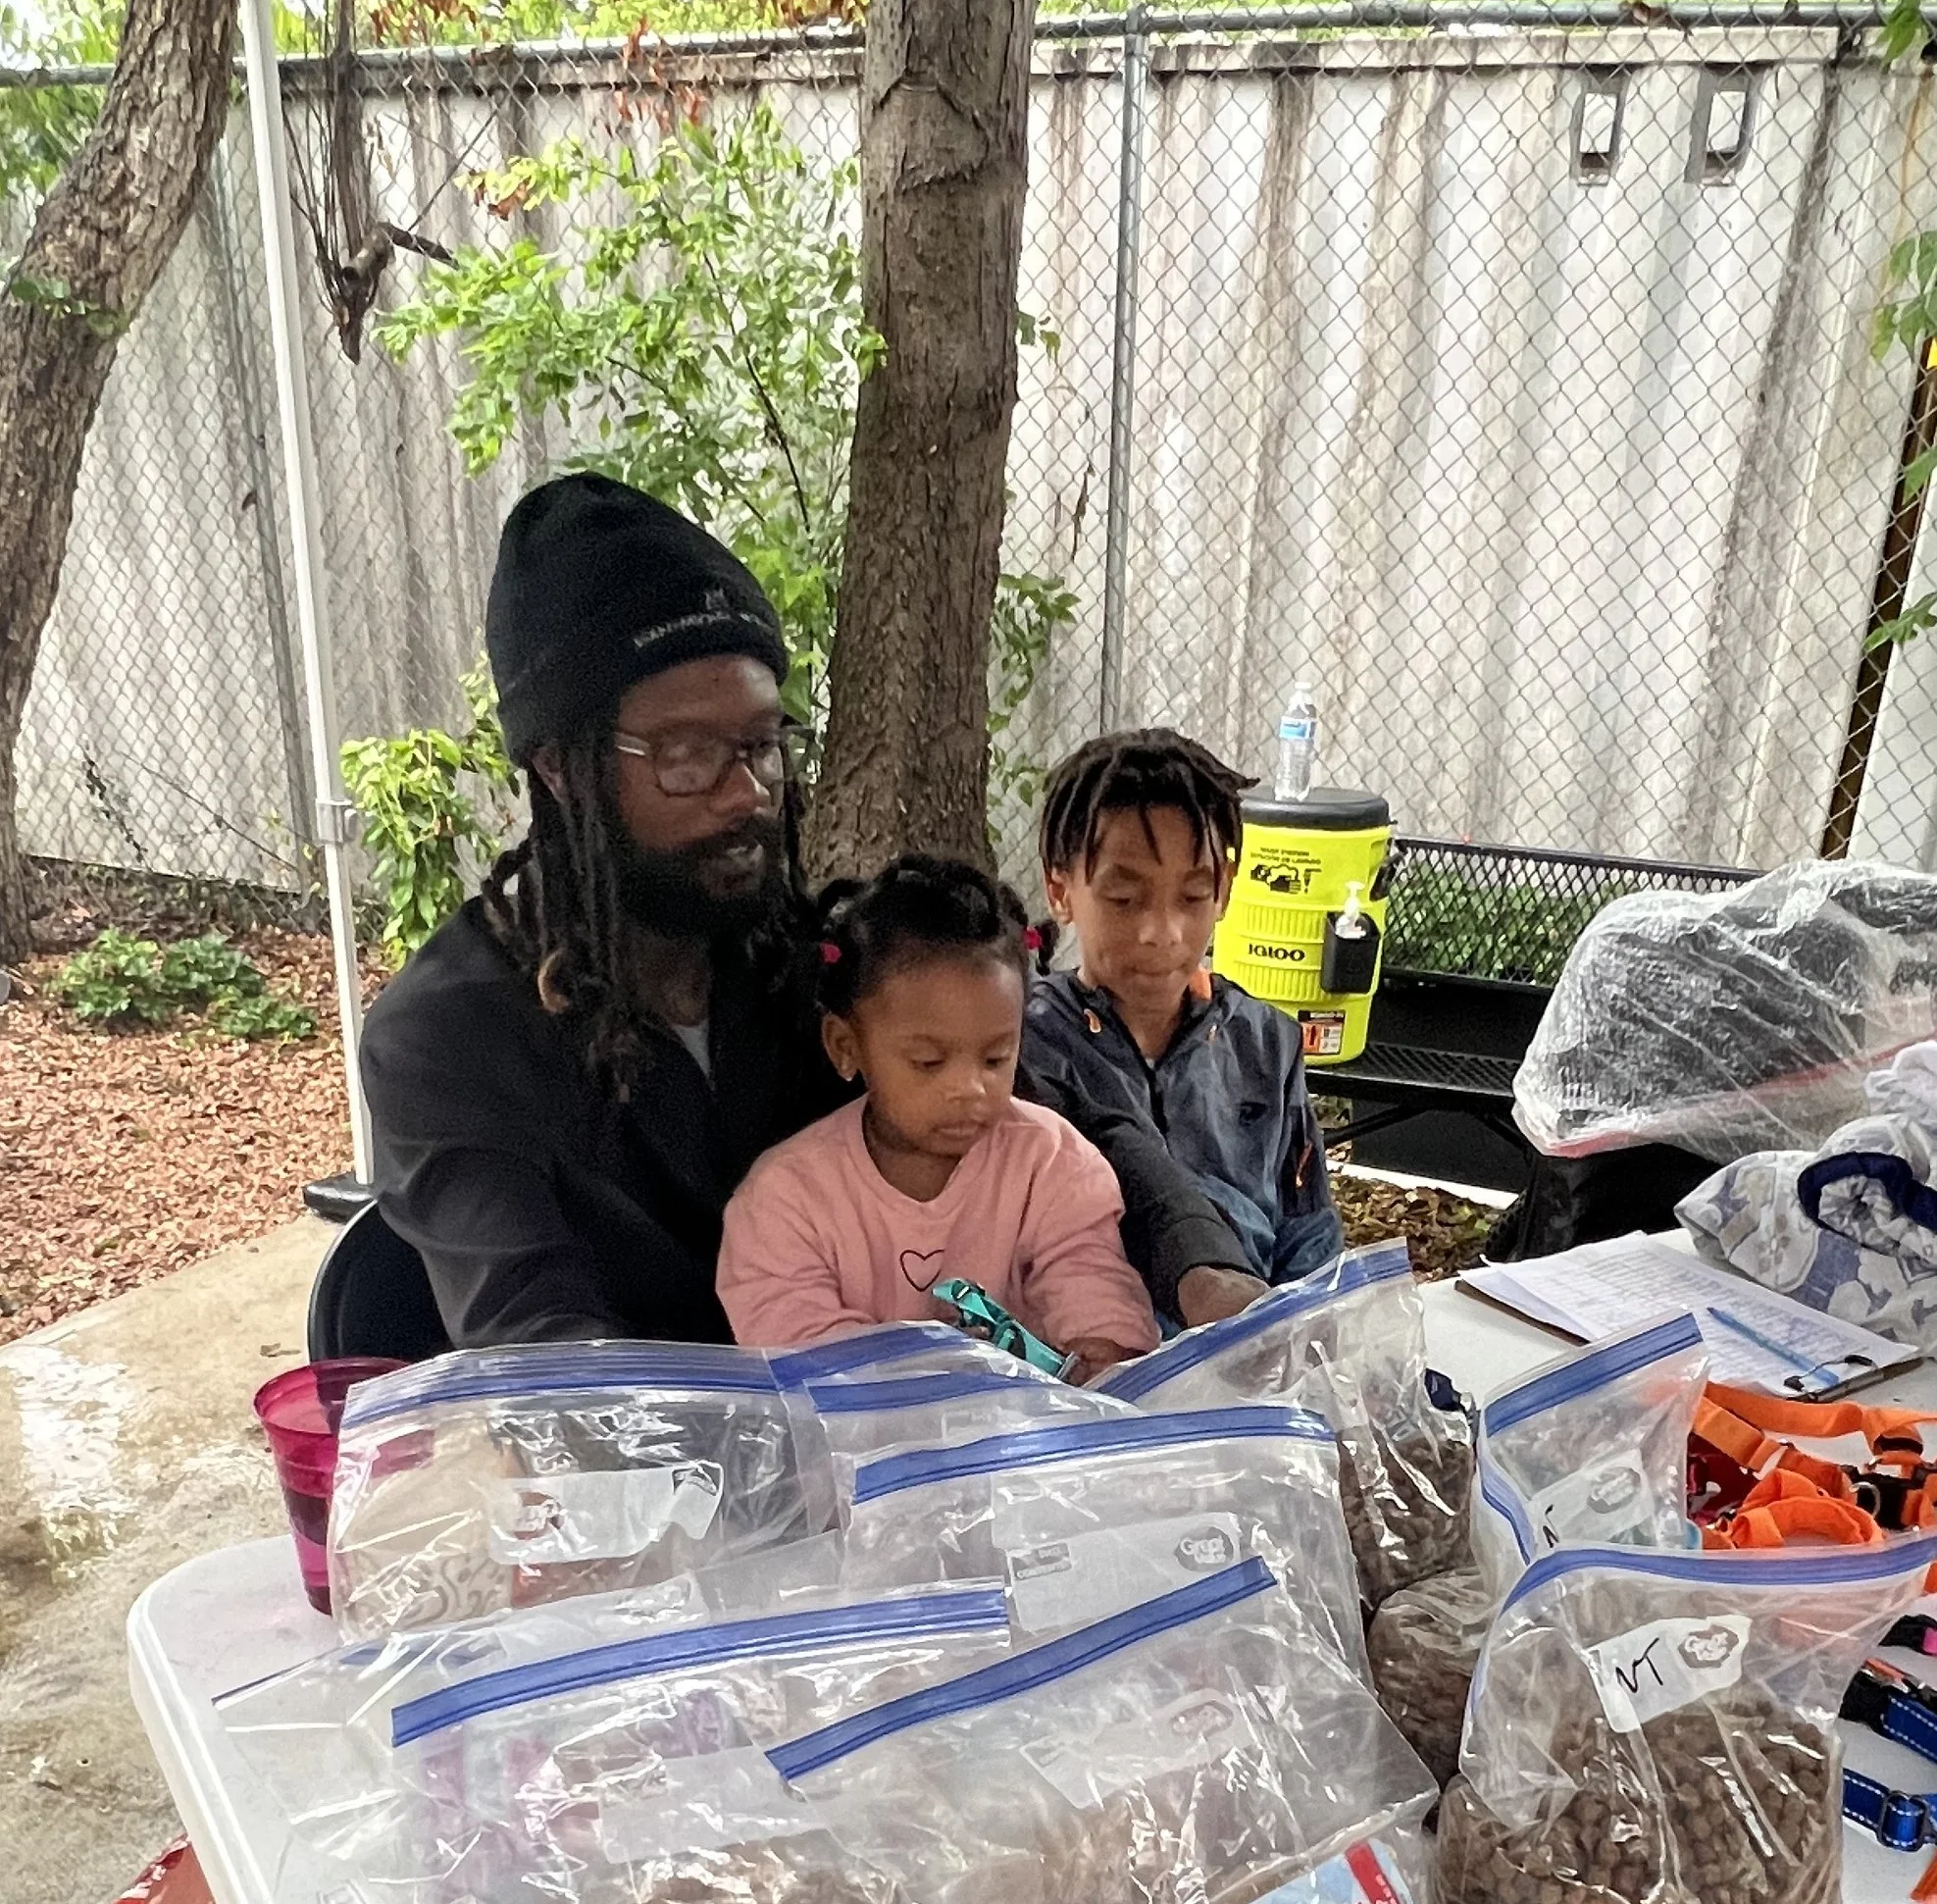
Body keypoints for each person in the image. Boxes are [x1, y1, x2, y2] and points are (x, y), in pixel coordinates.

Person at [359, 477, 1264, 1348]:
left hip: (882, 1456)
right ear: (560, 767)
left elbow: (1072, 1121)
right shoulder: (448, 1038)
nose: (743, 793)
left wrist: (1202, 1266)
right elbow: (538, 1343)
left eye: (761, 744)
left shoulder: (816, 969)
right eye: (685, 754)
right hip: (644, 1483)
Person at [717, 856, 1157, 1370]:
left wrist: (1098, 1360)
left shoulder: (1052, 1164)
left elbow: (1098, 1306)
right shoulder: (783, 1202)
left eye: (996, 1057)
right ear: (845, 1046)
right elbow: (810, 1369)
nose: (970, 1088)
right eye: (929, 1062)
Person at [1021, 727, 1344, 1289]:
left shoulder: (1265, 1041)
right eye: (1124, 899)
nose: (1161, 933)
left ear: (1225, 890)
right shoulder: (1027, 1045)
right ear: (1059, 890)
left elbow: (1309, 1240)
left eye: (1193, 896)